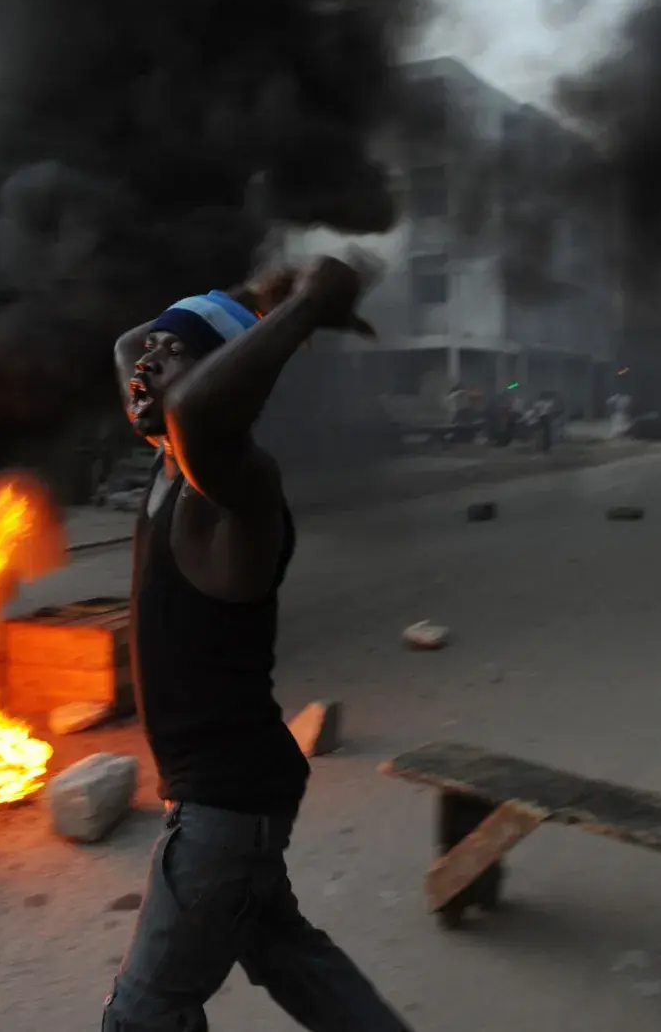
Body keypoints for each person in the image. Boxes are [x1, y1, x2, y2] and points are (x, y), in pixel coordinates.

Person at [103, 257, 413, 1032]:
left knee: (146, 1014)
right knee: (285, 952)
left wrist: (305, 309)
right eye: (152, 360)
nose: (144, 369)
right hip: (232, 792)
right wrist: (245, 303)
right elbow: (127, 345)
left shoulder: (236, 485)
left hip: (224, 804)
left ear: (217, 376)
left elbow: (200, 407)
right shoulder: (170, 462)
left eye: (168, 359)